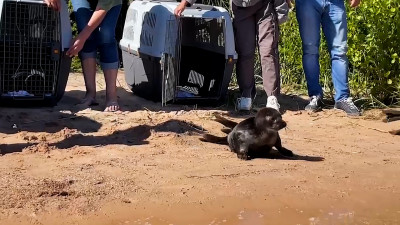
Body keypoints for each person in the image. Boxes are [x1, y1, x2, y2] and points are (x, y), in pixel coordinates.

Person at [175, 0, 289, 112]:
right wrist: (185, 2)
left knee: (268, 51)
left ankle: (272, 97)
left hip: (265, 6)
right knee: (245, 52)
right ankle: (246, 95)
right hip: (240, 8)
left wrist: (281, 10)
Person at [45, 0, 122, 112]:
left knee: (106, 35)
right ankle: (90, 94)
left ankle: (112, 96)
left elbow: (103, 7)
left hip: (109, 2)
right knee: (85, 30)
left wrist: (81, 38)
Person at [295, 0, 361, 116]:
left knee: (339, 51)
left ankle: (342, 98)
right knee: (310, 49)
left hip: (335, 3)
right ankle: (315, 96)